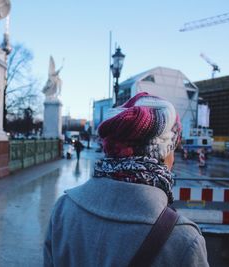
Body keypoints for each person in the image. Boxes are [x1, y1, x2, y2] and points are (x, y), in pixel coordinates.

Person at [44, 92, 209, 267]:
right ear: (163, 152)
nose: (173, 159)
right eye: (173, 149)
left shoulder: (63, 210)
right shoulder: (183, 240)